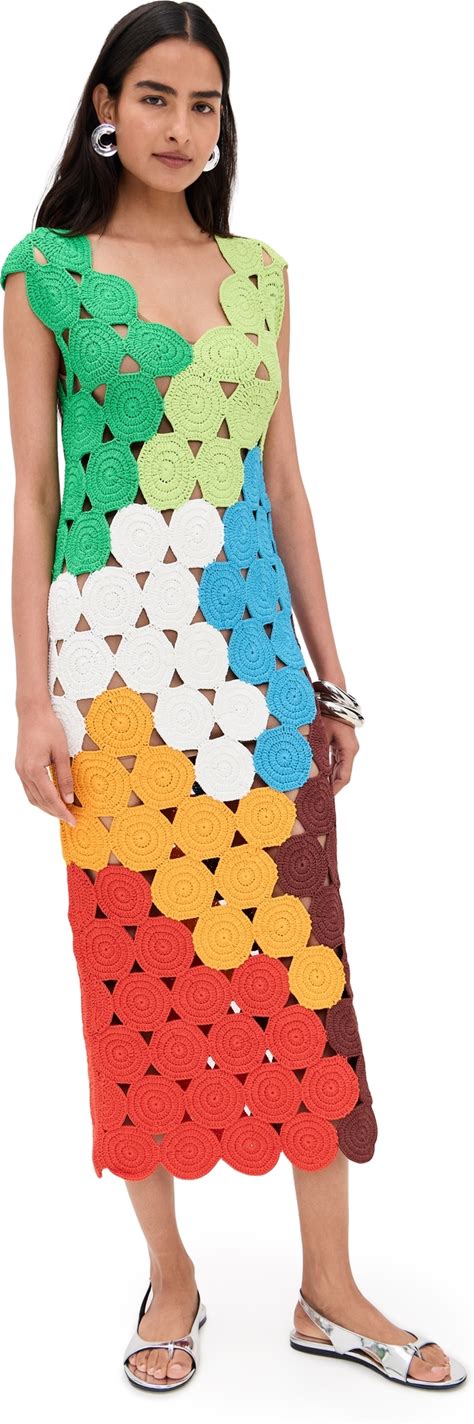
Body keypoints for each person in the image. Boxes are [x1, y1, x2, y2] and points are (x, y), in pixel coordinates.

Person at [0, 0, 466, 1395]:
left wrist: (333, 678)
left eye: (204, 104)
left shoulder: (259, 274)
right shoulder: (43, 274)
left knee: (303, 967)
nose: (181, 126)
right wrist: (31, 703)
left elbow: (288, 488)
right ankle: (173, 1273)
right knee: (133, 970)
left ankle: (329, 1289)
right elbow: (36, 496)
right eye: (155, 97)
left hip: (254, 688)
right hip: (113, 689)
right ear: (104, 106)